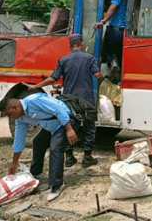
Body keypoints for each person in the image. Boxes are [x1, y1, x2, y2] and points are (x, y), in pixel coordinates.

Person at [30, 34, 101, 168]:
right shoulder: (89, 58)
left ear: (70, 46)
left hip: (69, 99)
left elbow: (53, 78)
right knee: (89, 126)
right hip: (86, 98)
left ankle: (69, 157)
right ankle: (87, 157)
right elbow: (97, 74)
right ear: (81, 43)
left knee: (69, 125)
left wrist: (36, 86)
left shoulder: (63, 60)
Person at [0, 91, 79, 202]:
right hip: (53, 127)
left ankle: (57, 185)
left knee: (55, 147)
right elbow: (19, 140)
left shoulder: (34, 100)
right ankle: (36, 174)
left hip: (67, 121)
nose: (10, 117)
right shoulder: (20, 118)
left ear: (15, 107)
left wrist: (69, 129)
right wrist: (14, 162)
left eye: (9, 114)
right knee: (38, 141)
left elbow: (59, 109)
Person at [93, 0, 127, 68]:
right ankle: (116, 70)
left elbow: (113, 8)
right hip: (122, 32)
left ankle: (111, 63)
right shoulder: (126, 0)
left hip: (114, 30)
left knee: (105, 52)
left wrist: (103, 21)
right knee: (119, 53)